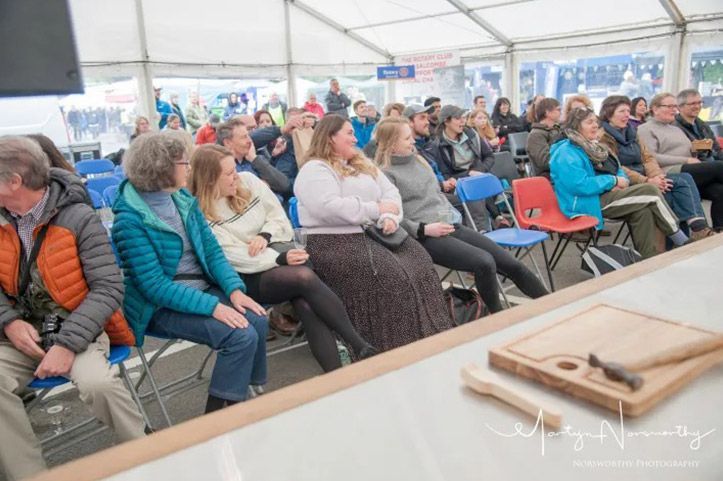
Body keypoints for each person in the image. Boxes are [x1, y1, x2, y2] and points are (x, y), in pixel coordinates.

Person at [0, 136, 145, 480]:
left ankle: (147, 455)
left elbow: (109, 288)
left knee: (99, 385)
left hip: (78, 329)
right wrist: (8, 323)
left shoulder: (78, 217)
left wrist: (67, 344)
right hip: (22, 336)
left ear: (14, 182)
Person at [111, 132, 268, 414]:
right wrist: (214, 308)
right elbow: (154, 287)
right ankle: (218, 422)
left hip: (198, 290)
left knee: (256, 317)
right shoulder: (129, 220)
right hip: (160, 306)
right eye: (184, 163)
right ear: (162, 169)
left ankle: (242, 393)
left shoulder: (181, 198)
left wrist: (233, 289)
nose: (189, 169)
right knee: (240, 336)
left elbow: (211, 250)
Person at [189, 144, 377, 369]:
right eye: (228, 174)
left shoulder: (248, 181)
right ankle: (358, 344)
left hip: (278, 253)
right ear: (209, 180)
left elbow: (278, 216)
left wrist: (264, 235)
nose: (236, 177)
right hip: (245, 277)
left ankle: (339, 368)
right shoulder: (201, 212)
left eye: (234, 170)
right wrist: (277, 259)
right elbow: (232, 256)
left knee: (304, 297)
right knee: (303, 278)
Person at [293, 115, 453, 352]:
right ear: (330, 137)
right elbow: (328, 207)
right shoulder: (315, 169)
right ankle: (389, 343)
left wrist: (389, 217)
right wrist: (375, 210)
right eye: (348, 133)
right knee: (392, 275)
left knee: (420, 259)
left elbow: (391, 194)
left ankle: (429, 332)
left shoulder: (361, 163)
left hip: (373, 232)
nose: (355, 137)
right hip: (332, 241)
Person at [374, 118, 549, 313]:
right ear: (391, 143)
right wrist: (423, 229)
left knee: (512, 264)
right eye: (407, 138)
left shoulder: (418, 160)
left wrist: (450, 212)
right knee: (484, 261)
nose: (413, 141)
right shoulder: (384, 175)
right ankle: (497, 317)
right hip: (426, 236)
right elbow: (388, 218)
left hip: (450, 225)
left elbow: (436, 195)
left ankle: (555, 306)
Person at [550, 107, 688, 259]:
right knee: (649, 191)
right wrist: (612, 181)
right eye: (589, 122)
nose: (595, 125)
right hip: (586, 202)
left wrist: (621, 182)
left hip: (605, 194)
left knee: (643, 210)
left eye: (596, 122)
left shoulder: (596, 146)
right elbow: (579, 186)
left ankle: (649, 258)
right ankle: (681, 240)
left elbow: (617, 168)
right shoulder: (565, 152)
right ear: (576, 126)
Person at [599, 95, 714, 241]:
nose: (627, 114)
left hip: (649, 177)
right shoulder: (603, 138)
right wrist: (647, 180)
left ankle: (695, 230)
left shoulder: (631, 133)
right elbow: (618, 167)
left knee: (681, 182)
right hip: (627, 182)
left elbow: (648, 158)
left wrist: (657, 176)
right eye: (622, 111)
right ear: (609, 113)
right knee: (676, 188)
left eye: (628, 111)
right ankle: (691, 233)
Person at [638, 92, 723, 232]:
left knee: (720, 191)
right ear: (655, 108)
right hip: (668, 171)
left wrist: (698, 149)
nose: (674, 110)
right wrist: (686, 159)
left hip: (689, 168)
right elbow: (651, 156)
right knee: (719, 167)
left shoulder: (675, 129)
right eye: (669, 106)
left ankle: (719, 230)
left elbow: (687, 150)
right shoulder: (645, 129)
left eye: (675, 106)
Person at [428, 104, 508, 230]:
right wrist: (468, 175)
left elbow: (489, 157)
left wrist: (478, 171)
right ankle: (493, 221)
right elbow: (446, 174)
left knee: (478, 185)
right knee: (475, 189)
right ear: (446, 121)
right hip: (459, 182)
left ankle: (486, 230)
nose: (463, 121)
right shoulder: (438, 144)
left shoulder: (472, 135)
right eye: (458, 118)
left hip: (479, 175)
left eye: (463, 117)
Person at [216, 118, 291, 198]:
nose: (250, 140)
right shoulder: (221, 169)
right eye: (244, 137)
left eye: (248, 135)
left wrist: (254, 159)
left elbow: (284, 185)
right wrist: (260, 186)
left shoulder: (256, 157)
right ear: (228, 143)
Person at [675, 89, 723, 162]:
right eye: (693, 103)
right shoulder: (675, 127)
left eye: (700, 103)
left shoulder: (703, 125)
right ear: (679, 107)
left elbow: (717, 149)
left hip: (712, 162)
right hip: (693, 164)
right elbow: (683, 152)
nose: (697, 106)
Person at [526, 98, 562, 178]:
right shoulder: (536, 135)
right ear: (547, 112)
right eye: (558, 110)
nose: (560, 112)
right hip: (548, 178)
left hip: (558, 173)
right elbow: (545, 162)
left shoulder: (557, 130)